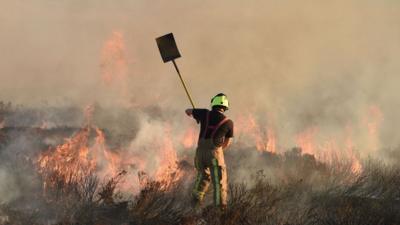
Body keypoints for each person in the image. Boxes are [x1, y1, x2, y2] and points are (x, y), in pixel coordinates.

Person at [185, 93, 234, 210]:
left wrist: (197, 116)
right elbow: (228, 142)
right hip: (214, 154)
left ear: (214, 103)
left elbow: (188, 111)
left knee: (203, 176)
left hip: (199, 154)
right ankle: (220, 210)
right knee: (219, 182)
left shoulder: (204, 113)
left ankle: (194, 203)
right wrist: (219, 151)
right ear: (225, 107)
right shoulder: (228, 122)